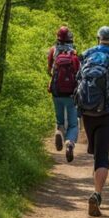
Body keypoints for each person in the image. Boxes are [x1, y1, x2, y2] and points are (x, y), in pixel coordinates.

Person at [77, 26, 109, 217]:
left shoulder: (85, 55)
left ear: (98, 38)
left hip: (87, 114)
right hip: (105, 114)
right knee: (102, 156)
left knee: (94, 152)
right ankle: (97, 194)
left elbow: (78, 84)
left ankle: (96, 189)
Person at [46, 25, 80, 163]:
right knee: (73, 124)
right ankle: (69, 143)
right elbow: (79, 73)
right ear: (70, 38)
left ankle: (59, 131)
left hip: (56, 92)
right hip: (71, 93)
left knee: (59, 119)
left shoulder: (53, 51)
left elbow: (49, 70)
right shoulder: (74, 53)